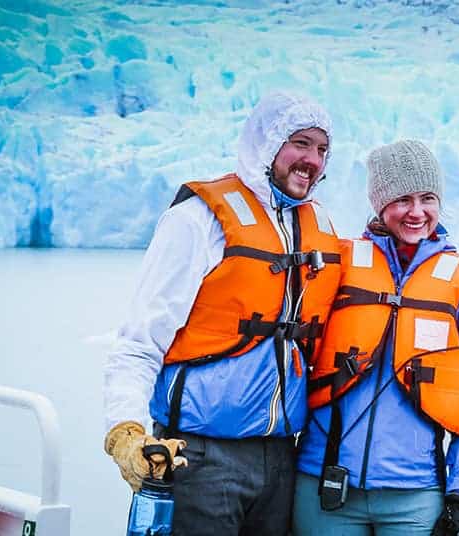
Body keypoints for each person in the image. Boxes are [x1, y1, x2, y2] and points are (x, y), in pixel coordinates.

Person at [103, 92, 342, 535]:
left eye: (323, 149)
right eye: (300, 143)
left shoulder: (319, 227)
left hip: (280, 459)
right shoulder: (198, 221)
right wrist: (125, 431)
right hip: (199, 457)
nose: (313, 159)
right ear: (268, 144)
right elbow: (139, 343)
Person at [292, 140, 459, 536]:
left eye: (428, 198)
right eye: (403, 199)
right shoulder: (340, 263)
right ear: (379, 203)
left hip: (415, 495)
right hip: (324, 487)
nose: (417, 212)